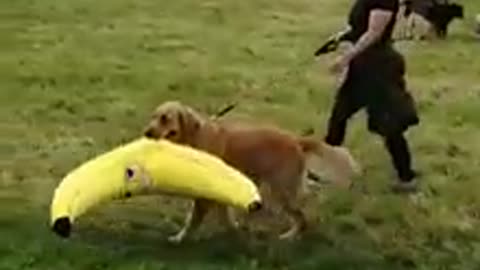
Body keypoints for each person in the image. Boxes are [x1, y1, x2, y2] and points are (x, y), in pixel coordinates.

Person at [323, 0, 420, 192]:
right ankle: (325, 165)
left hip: (378, 69)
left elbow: (374, 33)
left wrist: (345, 58)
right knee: (339, 115)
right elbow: (360, 26)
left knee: (389, 124)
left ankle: (406, 177)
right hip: (362, 67)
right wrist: (342, 37)